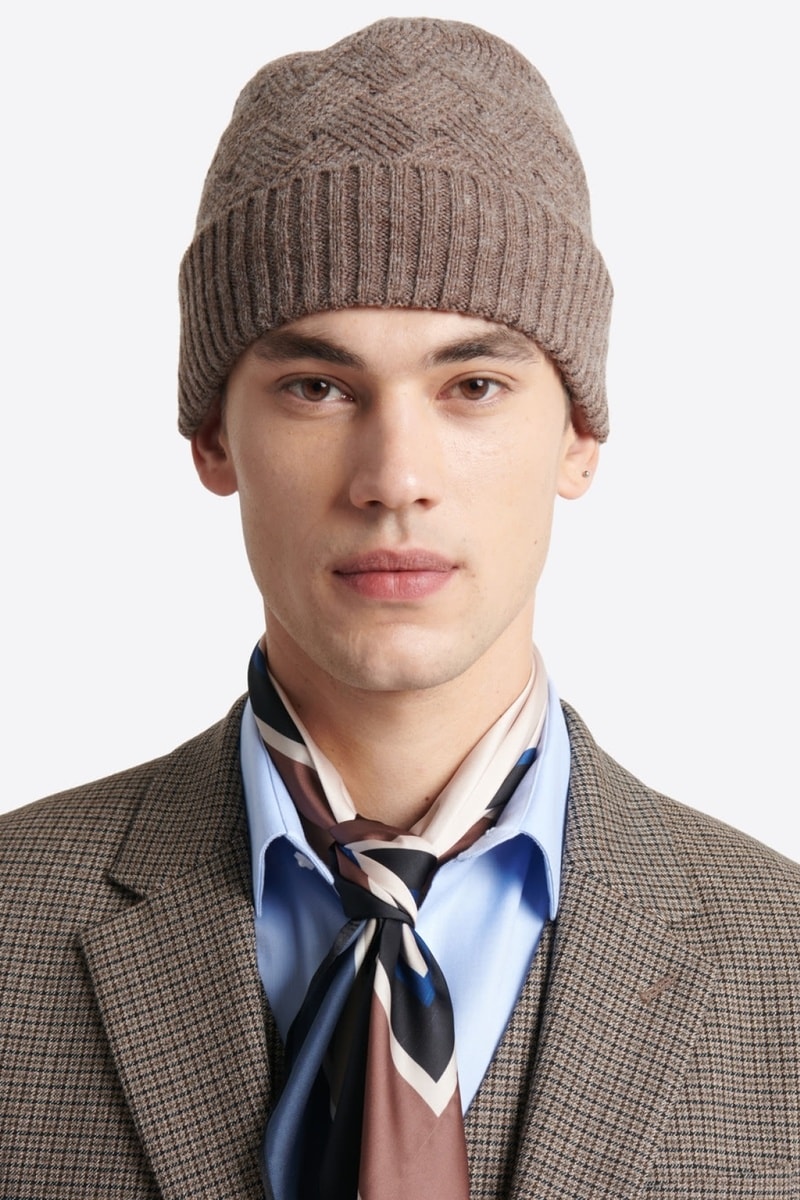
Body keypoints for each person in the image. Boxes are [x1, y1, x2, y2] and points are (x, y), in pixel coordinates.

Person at [1, 17, 798, 1200]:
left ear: (578, 435)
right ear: (213, 437)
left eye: (471, 384)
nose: (393, 477)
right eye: (315, 386)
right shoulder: (11, 925)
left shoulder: (782, 962)